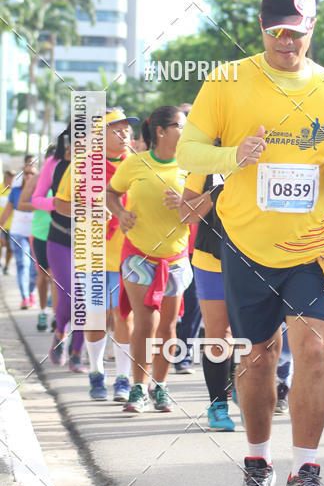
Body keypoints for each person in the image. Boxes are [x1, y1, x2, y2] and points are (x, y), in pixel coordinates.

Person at [177, 0, 324, 486]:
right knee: (258, 357)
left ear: (312, 29)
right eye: (278, 31)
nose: (288, 42)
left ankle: (306, 470)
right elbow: (189, 150)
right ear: (262, 27)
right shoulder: (227, 81)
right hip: (245, 245)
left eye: (298, 32)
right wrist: (233, 156)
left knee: (312, 349)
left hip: (314, 246)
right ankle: (257, 461)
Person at [106, 106, 191, 414]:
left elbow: (204, 208)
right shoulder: (135, 163)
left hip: (175, 258)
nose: (186, 131)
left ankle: (161, 386)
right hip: (138, 255)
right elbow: (111, 193)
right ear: (161, 131)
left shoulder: (191, 166)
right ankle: (139, 388)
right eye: (181, 126)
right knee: (145, 323)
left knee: (168, 327)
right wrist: (120, 213)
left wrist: (184, 204)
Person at [55, 110, 138, 401]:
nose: (124, 135)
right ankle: (96, 370)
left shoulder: (137, 165)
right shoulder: (81, 165)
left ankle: (124, 379)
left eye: (127, 130)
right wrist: (88, 210)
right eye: (117, 130)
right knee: (96, 317)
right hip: (93, 255)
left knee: (124, 317)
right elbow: (60, 204)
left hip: (129, 253)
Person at [181, 171, 236, 430]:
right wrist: (213, 193)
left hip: (256, 260)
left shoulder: (265, 158)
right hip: (211, 259)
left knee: (254, 334)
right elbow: (185, 214)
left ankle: (242, 388)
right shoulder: (205, 165)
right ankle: (218, 405)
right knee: (219, 335)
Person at [45, 126, 86, 369]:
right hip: (60, 238)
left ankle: (77, 353)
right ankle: (60, 332)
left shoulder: (107, 168)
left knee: (86, 299)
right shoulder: (56, 166)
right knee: (70, 296)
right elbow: (37, 199)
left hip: (92, 244)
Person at [19, 145, 56, 331]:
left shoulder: (68, 177)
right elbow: (21, 204)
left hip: (61, 234)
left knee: (57, 277)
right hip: (41, 233)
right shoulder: (37, 179)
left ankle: (57, 316)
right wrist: (44, 203)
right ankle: (42, 312)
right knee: (44, 275)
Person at [0, 160, 38, 309]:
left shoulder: (40, 191)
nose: (28, 176)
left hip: (36, 233)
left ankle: (31, 292)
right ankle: (25, 298)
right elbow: (6, 212)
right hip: (18, 233)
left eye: (32, 173)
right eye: (26, 173)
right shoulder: (15, 191)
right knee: (23, 264)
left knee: (35, 267)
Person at [0, 169, 15, 275]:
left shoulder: (15, 190)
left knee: (10, 247)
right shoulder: (1, 188)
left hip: (12, 225)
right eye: (9, 176)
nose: (11, 179)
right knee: (1, 244)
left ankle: (6, 266)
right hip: (1, 223)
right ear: (6, 177)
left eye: (12, 177)